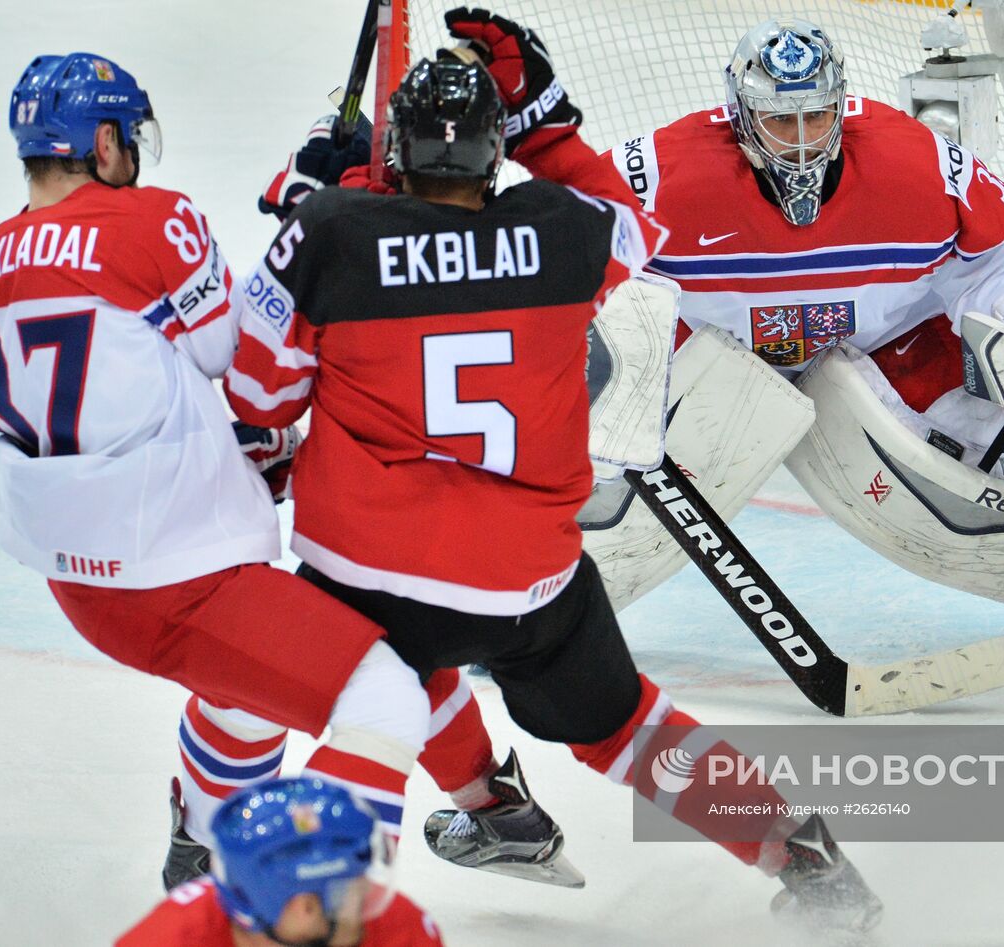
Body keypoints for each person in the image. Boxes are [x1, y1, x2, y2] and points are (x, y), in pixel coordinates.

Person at [226, 9, 881, 934]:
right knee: (628, 727)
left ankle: (414, 847)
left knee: (344, 686)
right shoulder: (561, 232)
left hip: (371, 576)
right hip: (532, 579)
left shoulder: (334, 232)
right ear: (496, 157)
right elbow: (636, 225)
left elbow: (259, 395)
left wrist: (309, 207)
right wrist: (550, 120)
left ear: (395, 155)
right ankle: (803, 854)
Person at [593, 18, 1004, 665]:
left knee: (939, 505)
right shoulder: (659, 177)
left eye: (818, 116)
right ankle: (520, 607)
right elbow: (560, 258)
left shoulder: (910, 162)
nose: (803, 141)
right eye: (782, 120)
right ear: (741, 117)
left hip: (879, 346)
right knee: (624, 517)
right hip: (710, 360)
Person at [0, 52, 432, 891]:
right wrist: (313, 223)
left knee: (245, 693)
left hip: (79, 580)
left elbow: (129, 364)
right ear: (103, 143)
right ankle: (295, 902)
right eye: (128, 137)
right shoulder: (150, 220)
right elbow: (239, 362)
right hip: (175, 570)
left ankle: (205, 845)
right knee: (387, 697)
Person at [117, 777, 444, 946]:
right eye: (348, 890)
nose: (367, 901)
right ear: (302, 907)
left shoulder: (399, 929)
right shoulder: (169, 940)